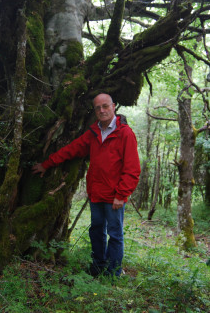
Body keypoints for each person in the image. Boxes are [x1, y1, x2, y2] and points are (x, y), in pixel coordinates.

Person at [32, 93, 141, 277]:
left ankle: (113, 273)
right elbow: (71, 149)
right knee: (96, 231)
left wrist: (121, 195)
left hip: (114, 196)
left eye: (105, 106)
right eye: (98, 108)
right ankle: (97, 268)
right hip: (96, 194)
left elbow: (132, 169)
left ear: (113, 106)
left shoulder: (125, 133)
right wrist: (46, 164)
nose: (102, 110)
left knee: (115, 234)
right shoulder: (93, 133)